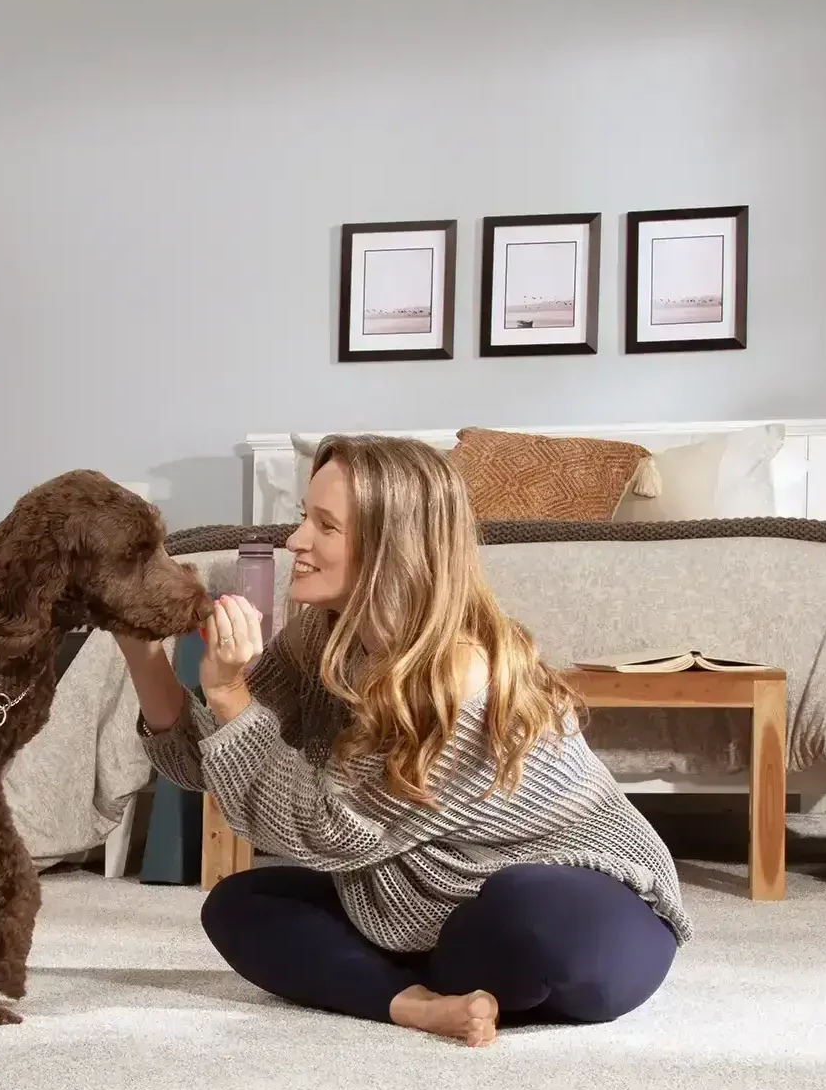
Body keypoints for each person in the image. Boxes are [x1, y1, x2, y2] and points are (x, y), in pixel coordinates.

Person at [115, 435, 689, 1047]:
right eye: (303, 517)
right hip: (418, 904)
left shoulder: (463, 677)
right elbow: (211, 765)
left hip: (587, 898)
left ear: (392, 548)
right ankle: (418, 1003)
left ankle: (408, 978)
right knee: (238, 906)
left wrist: (231, 696)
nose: (294, 542)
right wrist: (141, 650)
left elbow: (323, 831)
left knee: (520, 917)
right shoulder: (323, 641)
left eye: (324, 526)